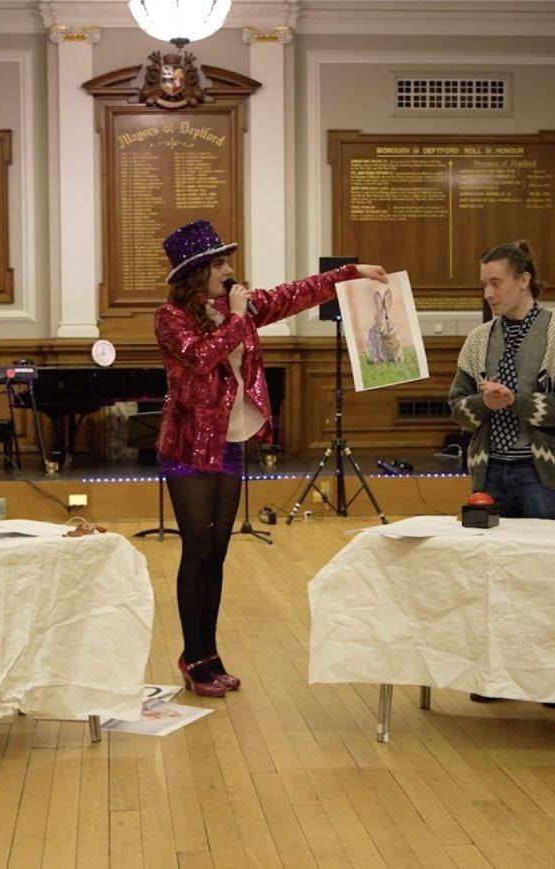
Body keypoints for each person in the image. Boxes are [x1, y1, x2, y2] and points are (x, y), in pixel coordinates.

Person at [154, 219, 386, 697]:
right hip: (188, 446)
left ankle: (209, 653)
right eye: (220, 264)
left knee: (218, 551)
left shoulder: (234, 307)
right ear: (197, 272)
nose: (230, 271)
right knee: (198, 548)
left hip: (229, 441)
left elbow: (294, 294)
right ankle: (192, 656)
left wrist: (351, 273)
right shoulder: (170, 317)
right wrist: (239, 319)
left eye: (227, 262)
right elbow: (201, 357)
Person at [448, 240, 555, 520]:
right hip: (488, 472)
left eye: (496, 283)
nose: (488, 293)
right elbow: (457, 406)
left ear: (524, 280)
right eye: (484, 285)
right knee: (490, 548)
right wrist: (484, 403)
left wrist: (514, 401)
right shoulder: (478, 338)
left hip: (543, 475)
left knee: (544, 547)